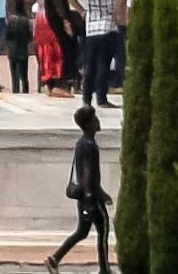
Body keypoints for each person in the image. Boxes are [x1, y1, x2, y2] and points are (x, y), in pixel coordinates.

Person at [48, 96, 115, 272]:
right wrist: (91, 199)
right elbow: (87, 173)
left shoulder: (82, 143)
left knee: (82, 232)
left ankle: (55, 259)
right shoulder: (89, 144)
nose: (98, 122)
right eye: (95, 119)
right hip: (91, 199)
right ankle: (104, 268)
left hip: (88, 197)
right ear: (89, 124)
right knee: (103, 230)